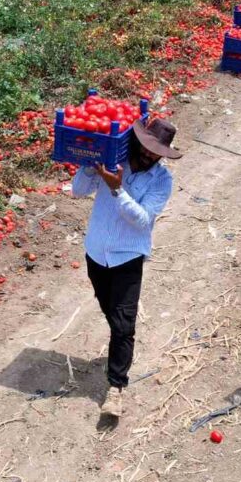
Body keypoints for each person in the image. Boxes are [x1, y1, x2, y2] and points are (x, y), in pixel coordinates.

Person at [72, 117, 182, 418]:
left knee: (123, 324)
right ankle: (120, 343)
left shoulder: (161, 180)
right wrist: (90, 165)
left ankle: (116, 387)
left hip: (128, 257)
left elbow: (144, 220)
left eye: (155, 153)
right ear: (135, 143)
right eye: (145, 149)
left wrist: (117, 189)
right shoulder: (113, 161)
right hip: (96, 253)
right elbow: (78, 191)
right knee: (111, 313)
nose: (148, 156)